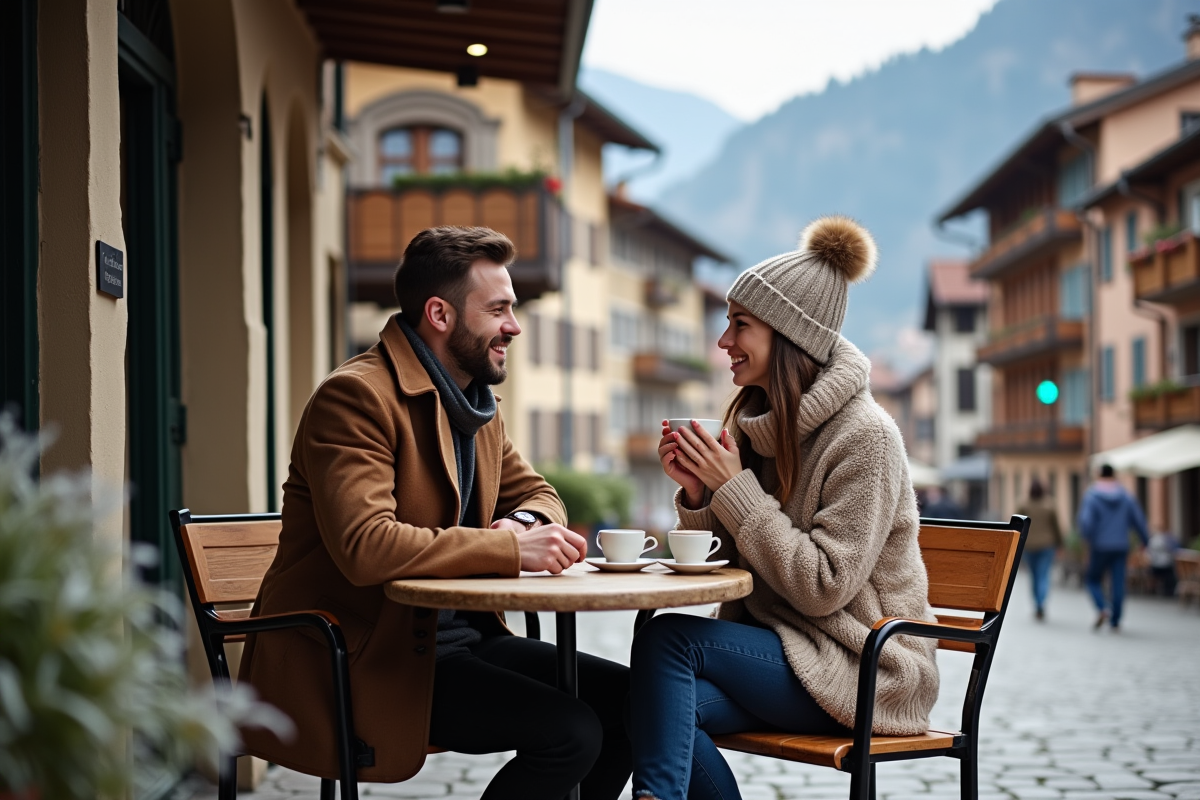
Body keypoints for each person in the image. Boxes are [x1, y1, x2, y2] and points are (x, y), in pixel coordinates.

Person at [239, 227, 631, 799]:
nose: (513, 327)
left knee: (629, 702)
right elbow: (366, 546)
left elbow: (540, 495)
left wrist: (520, 525)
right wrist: (510, 550)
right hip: (370, 656)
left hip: (459, 640)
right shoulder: (355, 399)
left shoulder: (474, 403)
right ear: (440, 314)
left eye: (512, 309)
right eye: (498, 310)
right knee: (570, 731)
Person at [633, 217, 940, 800]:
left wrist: (734, 489)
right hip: (789, 654)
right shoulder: (758, 426)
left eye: (740, 324)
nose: (724, 341)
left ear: (788, 336)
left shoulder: (865, 437)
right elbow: (733, 564)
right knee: (646, 701)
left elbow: (825, 585)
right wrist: (700, 496)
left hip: (864, 669)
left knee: (670, 641)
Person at [1077, 464, 1149, 632]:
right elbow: (1138, 520)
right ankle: (1116, 620)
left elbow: (1086, 523)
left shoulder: (1092, 496)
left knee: (1092, 580)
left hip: (1099, 546)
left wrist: (1086, 539)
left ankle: (1103, 608)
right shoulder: (1126, 496)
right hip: (1120, 545)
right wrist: (1145, 541)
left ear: (1099, 475)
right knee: (1118, 582)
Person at [1015, 479, 1063, 620]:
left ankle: (1037, 603)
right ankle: (1041, 602)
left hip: (1028, 545)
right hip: (1047, 545)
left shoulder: (1023, 504)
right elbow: (1056, 527)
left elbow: (1016, 524)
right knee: (1043, 574)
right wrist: (1060, 544)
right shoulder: (1050, 504)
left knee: (1034, 575)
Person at [1146, 528, 1180, 597]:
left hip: (1154, 566)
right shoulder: (1164, 542)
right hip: (1163, 567)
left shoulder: (1151, 541)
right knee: (1171, 572)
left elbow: (1149, 555)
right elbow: (1172, 551)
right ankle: (1170, 590)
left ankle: (1158, 590)